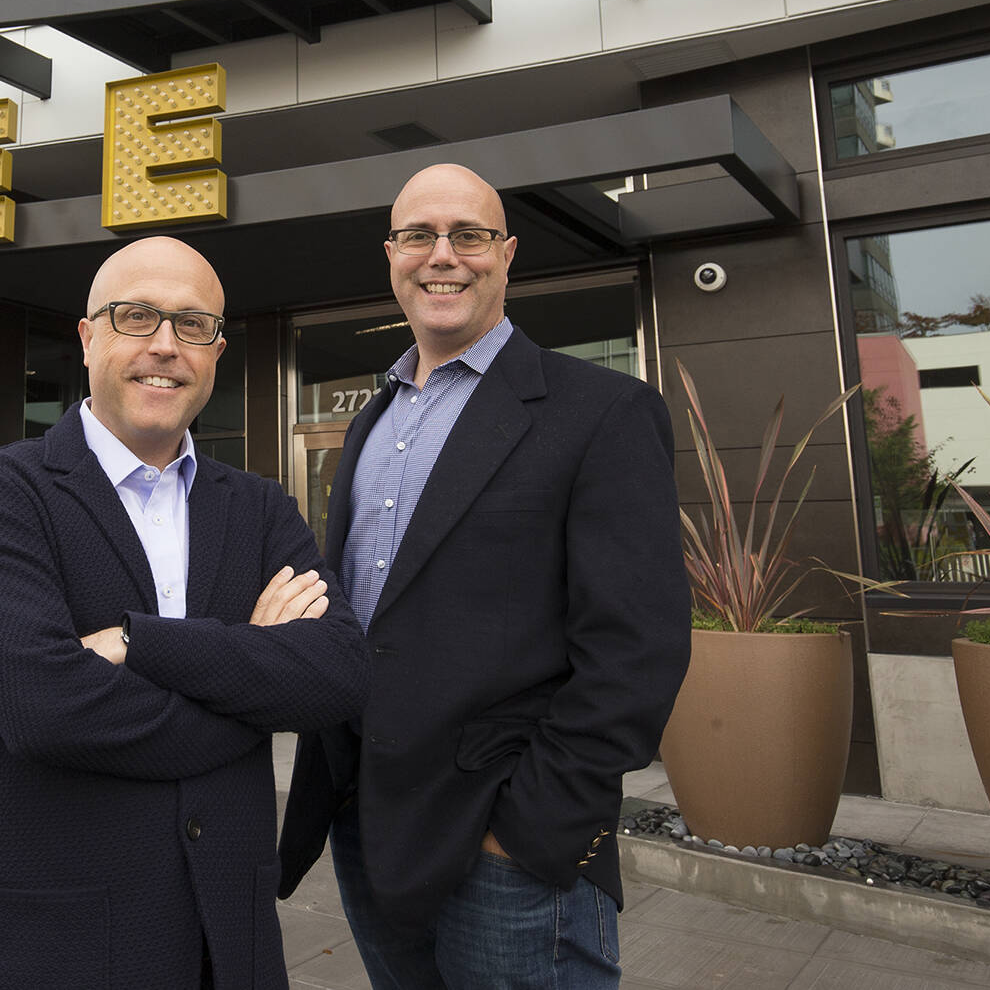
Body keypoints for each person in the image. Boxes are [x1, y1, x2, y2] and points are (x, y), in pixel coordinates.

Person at [277, 164, 690, 990]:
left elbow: (635, 649)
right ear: (391, 254)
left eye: (467, 235)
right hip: (367, 823)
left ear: (506, 254)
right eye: (419, 236)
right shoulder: (372, 419)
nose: (443, 256)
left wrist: (529, 829)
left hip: (505, 848)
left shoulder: (602, 411)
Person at [0, 235, 369, 990]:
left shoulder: (261, 507)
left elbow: (338, 671)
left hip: (230, 946)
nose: (165, 345)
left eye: (192, 324)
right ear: (87, 337)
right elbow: (45, 707)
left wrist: (141, 645)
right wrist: (251, 668)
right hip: (60, 946)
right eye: (137, 316)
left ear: (217, 349)